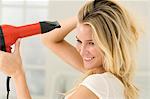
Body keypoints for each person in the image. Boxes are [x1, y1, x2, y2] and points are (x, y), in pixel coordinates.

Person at [0, 0, 140, 99]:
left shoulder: (99, 84)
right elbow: (49, 39)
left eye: (92, 43)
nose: (82, 50)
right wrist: (87, 14)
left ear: (110, 44)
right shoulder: (108, 78)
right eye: (79, 41)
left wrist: (17, 74)